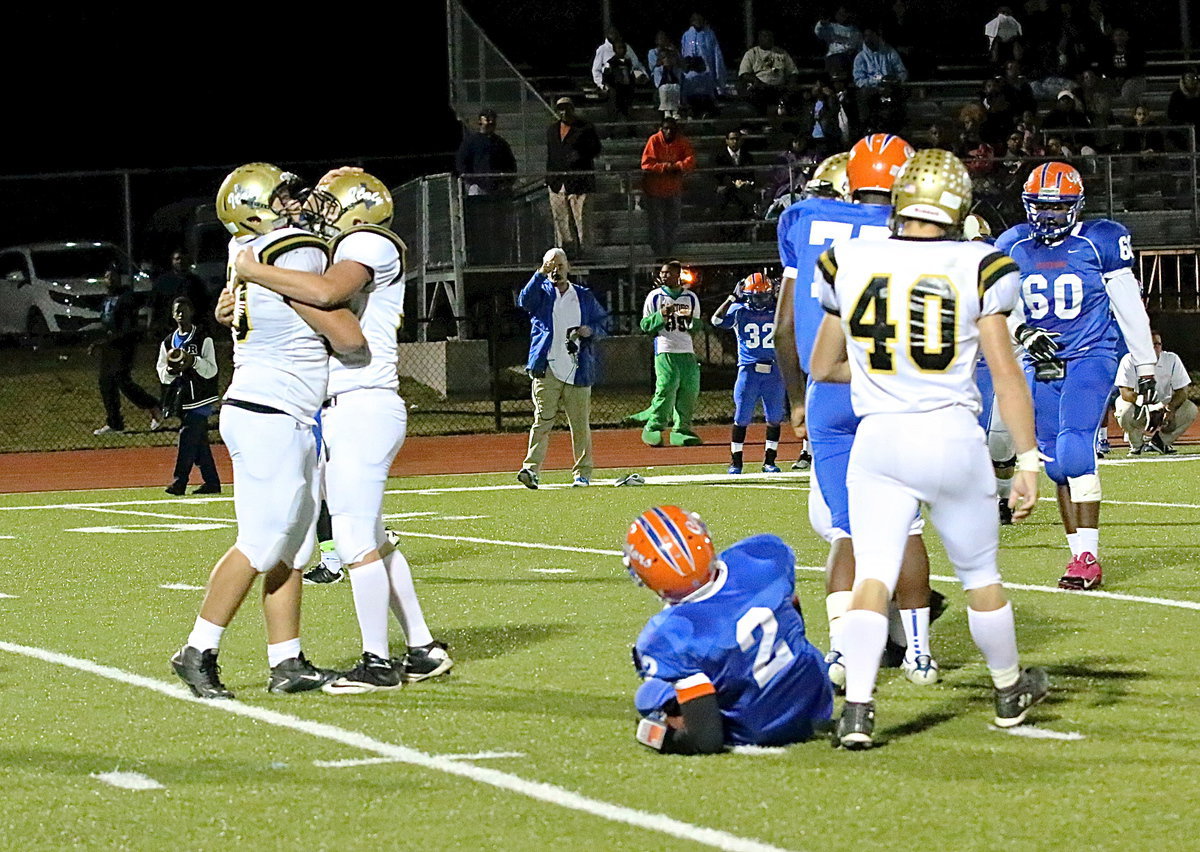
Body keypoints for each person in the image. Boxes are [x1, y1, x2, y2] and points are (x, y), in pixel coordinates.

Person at [810, 148, 1048, 749]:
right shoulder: (979, 264)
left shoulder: (850, 260)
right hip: (950, 435)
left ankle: (859, 710)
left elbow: (822, 364)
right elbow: (1006, 372)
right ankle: (1007, 690)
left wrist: (877, 374)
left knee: (872, 576)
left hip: (879, 440)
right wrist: (1026, 459)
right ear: (959, 206)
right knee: (981, 577)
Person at [229, 168, 451, 691]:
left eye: (329, 201)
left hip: (361, 402)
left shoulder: (367, 240)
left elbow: (328, 293)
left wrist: (254, 272)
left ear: (359, 207)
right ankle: (419, 647)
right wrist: (243, 300)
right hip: (344, 406)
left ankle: (377, 663)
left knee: (352, 538)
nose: (315, 207)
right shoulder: (344, 244)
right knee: (372, 536)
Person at [171, 162, 367, 700]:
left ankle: (287, 660)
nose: (294, 201)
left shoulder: (253, 254)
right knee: (261, 542)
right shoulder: (295, 247)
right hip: (269, 411)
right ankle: (197, 649)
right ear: (254, 205)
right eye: (281, 195)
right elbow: (338, 322)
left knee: (294, 547)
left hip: (282, 410)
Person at [775, 137, 943, 689]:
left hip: (828, 394)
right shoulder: (921, 236)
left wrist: (797, 399)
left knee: (845, 530)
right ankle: (917, 652)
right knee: (907, 525)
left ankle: (846, 655)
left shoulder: (806, 220)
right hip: (889, 389)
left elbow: (784, 328)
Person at [995, 162, 1158, 591]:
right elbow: (1000, 310)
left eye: (1058, 207)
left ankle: (1089, 556)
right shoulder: (1012, 244)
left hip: (1091, 354)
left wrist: (1145, 365)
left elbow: (1128, 306)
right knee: (1054, 463)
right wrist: (1024, 333)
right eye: (1041, 207)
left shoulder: (1097, 239)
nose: (1048, 216)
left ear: (1077, 206)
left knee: (1073, 448)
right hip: (1040, 360)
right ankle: (1077, 556)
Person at [625, 506, 833, 753]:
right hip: (817, 700)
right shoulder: (763, 553)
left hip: (757, 729)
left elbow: (706, 740)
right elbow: (794, 615)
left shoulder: (667, 634)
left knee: (651, 696)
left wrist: (656, 736)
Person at [515, 247, 608, 489]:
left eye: (560, 264)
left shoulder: (583, 296)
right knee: (542, 420)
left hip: (578, 368)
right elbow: (524, 301)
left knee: (579, 424)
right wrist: (539, 274)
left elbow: (603, 322)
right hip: (547, 369)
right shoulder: (541, 294)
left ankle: (583, 472)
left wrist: (590, 331)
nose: (556, 269)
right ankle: (531, 469)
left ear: (568, 267)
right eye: (551, 265)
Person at [711, 273, 785, 474]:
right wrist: (730, 298)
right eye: (755, 296)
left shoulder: (778, 310)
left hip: (774, 370)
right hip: (749, 370)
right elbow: (716, 320)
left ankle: (769, 461)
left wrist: (783, 294)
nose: (760, 300)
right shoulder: (739, 310)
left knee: (775, 417)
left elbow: (796, 314)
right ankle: (736, 462)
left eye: (763, 295)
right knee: (742, 417)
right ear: (745, 295)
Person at [156, 296, 220, 496]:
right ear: (173, 315)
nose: (181, 314)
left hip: (201, 398)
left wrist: (193, 361)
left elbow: (211, 370)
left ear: (192, 312)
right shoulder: (168, 342)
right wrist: (171, 369)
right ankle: (212, 482)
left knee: (187, 437)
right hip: (182, 398)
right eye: (177, 311)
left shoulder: (203, 338)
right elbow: (162, 374)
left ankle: (179, 481)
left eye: (184, 310)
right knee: (198, 443)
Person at [89, 264, 164, 436]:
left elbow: (128, 327)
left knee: (123, 381)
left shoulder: (127, 297)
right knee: (106, 383)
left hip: (123, 346)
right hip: (110, 347)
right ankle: (114, 422)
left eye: (114, 276)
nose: (111, 279)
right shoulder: (106, 299)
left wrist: (105, 341)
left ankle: (153, 405)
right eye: (108, 276)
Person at [640, 261, 702, 447]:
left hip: (686, 350)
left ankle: (682, 429)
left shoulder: (690, 297)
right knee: (666, 387)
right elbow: (645, 325)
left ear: (678, 275)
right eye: (662, 273)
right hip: (665, 348)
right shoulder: (654, 297)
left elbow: (698, 326)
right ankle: (654, 426)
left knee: (689, 389)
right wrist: (662, 315)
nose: (664, 276)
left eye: (668, 273)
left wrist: (689, 318)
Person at [1116, 332, 1196, 454]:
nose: (1156, 347)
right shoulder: (1129, 360)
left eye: (1158, 344)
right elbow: (1125, 392)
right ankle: (1137, 445)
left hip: (1164, 406)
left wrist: (1170, 408)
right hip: (1139, 406)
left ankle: (1160, 442)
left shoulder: (1172, 359)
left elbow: (1182, 391)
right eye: (1151, 344)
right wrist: (1146, 405)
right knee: (1123, 408)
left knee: (1190, 409)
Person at [545, 97, 603, 256]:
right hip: (557, 182)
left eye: (567, 108)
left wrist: (581, 155)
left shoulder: (585, 128)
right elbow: (551, 155)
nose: (564, 112)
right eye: (560, 109)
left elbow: (596, 149)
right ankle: (566, 253)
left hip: (580, 182)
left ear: (572, 109)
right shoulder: (552, 130)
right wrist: (549, 178)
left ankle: (586, 253)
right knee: (561, 221)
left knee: (582, 221)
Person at [640, 116, 696, 259]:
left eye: (672, 128)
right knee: (657, 225)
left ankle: (670, 253)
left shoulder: (682, 141)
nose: (669, 131)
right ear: (661, 129)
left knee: (673, 224)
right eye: (666, 128)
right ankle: (659, 254)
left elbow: (690, 160)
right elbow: (646, 163)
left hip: (674, 190)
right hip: (655, 191)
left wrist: (677, 166)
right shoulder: (654, 140)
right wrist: (665, 167)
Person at [852, 29, 908, 133]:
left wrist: (894, 81)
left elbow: (902, 72)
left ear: (878, 36)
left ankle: (898, 127)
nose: (869, 40)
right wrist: (877, 83)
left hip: (891, 87)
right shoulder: (860, 57)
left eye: (871, 36)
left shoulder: (890, 52)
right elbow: (859, 80)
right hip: (872, 90)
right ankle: (867, 127)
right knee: (863, 94)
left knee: (901, 94)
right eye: (866, 37)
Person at [455, 108, 517, 197]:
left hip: (499, 188)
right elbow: (461, 163)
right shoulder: (471, 142)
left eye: (492, 120)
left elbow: (511, 164)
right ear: (480, 122)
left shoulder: (500, 143)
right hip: (478, 187)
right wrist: (472, 181)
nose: (490, 123)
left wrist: (506, 182)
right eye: (487, 120)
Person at [738, 30, 799, 115]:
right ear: (759, 39)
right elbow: (744, 74)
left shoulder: (782, 53)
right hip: (760, 87)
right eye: (765, 36)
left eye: (770, 36)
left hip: (779, 87)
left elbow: (793, 71)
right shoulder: (751, 53)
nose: (768, 39)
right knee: (756, 97)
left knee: (795, 96)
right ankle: (762, 124)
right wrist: (756, 81)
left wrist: (792, 82)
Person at [710, 129, 757, 237]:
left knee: (747, 203)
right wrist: (718, 187)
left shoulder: (748, 156)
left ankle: (741, 234)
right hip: (724, 189)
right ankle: (721, 235)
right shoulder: (718, 156)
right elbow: (712, 175)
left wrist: (747, 183)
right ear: (727, 140)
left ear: (741, 140)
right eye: (732, 139)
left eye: (737, 139)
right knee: (719, 205)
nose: (734, 142)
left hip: (742, 190)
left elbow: (751, 176)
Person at [150, 250, 209, 335]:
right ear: (172, 261)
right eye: (177, 259)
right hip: (168, 327)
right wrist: (152, 324)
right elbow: (155, 304)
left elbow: (204, 304)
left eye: (183, 259)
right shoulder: (163, 281)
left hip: (192, 327)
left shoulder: (196, 282)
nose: (180, 261)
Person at [680, 13, 726, 116]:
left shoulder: (709, 34)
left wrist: (718, 77)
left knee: (706, 94)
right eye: (694, 19)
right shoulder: (686, 35)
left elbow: (716, 55)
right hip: (690, 72)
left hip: (707, 72)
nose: (697, 22)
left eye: (699, 19)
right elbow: (683, 53)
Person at [814, 7, 862, 80]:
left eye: (844, 14)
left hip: (850, 58)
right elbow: (818, 32)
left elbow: (859, 48)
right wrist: (822, 23)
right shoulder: (831, 27)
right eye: (840, 14)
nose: (842, 16)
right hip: (834, 57)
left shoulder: (855, 31)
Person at [647, 32, 683, 120]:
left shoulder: (674, 62)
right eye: (660, 39)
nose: (663, 41)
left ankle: (675, 111)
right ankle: (666, 111)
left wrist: (673, 53)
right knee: (664, 89)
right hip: (660, 85)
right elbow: (654, 70)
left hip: (673, 85)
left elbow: (680, 67)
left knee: (676, 88)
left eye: (665, 39)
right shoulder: (653, 55)